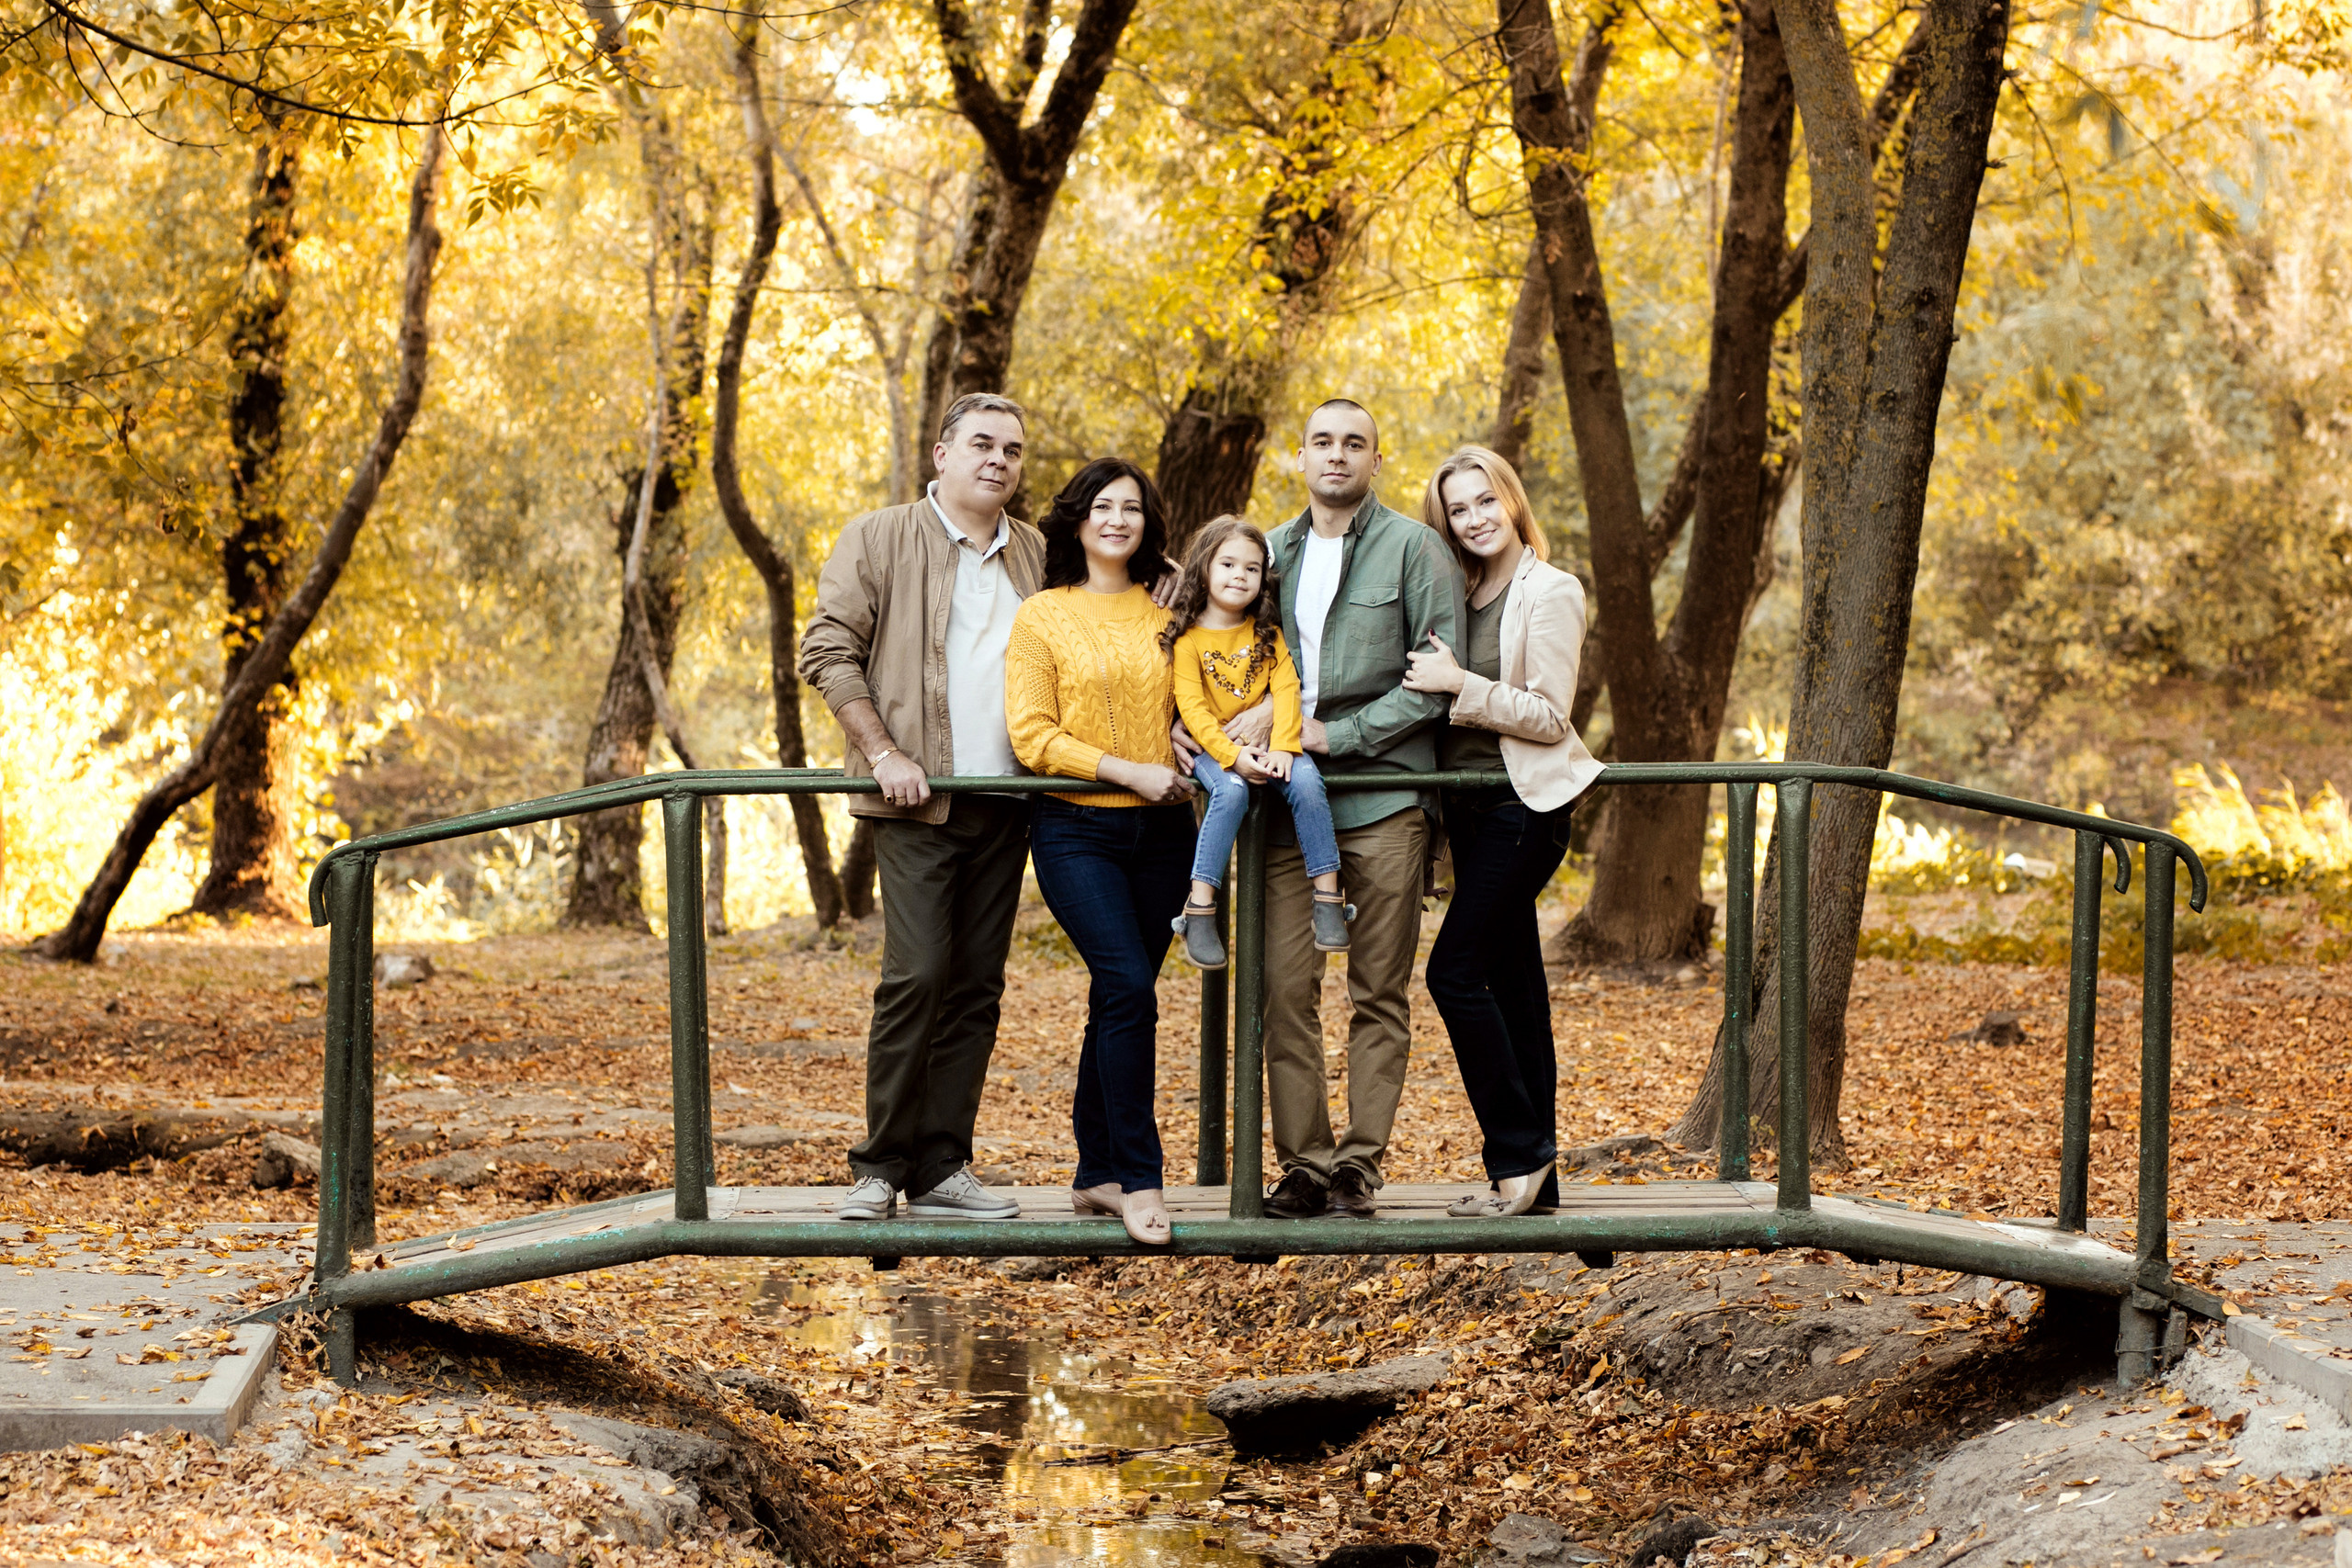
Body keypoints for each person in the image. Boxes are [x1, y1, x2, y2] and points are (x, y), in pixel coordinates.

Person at [1182, 399, 1463, 1221]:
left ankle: (1359, 1166)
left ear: (1377, 459)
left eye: (1355, 444)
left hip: (1384, 800)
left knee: (1379, 989)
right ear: (1298, 456)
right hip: (1281, 804)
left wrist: (1329, 733)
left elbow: (1434, 681)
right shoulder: (1266, 552)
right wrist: (1183, 719)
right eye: (1322, 443)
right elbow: (1210, 645)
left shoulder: (1416, 549)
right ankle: (1303, 1163)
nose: (1337, 456)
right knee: (1283, 988)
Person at [797, 392, 1041, 1224]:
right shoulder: (879, 535)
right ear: (942, 454)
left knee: (976, 987)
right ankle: (877, 1165)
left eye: (1011, 449)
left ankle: (942, 1166)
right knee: (917, 975)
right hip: (914, 802)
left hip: (1008, 801)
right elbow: (826, 647)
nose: (997, 460)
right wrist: (882, 753)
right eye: (981, 444)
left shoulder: (1036, 553)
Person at [1402, 446, 1604, 1217]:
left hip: (1528, 807)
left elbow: (1552, 715)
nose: (1475, 518)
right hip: (1471, 815)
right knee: (1516, 986)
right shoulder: (1453, 591)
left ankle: (1515, 1157)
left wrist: (1463, 685)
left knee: (1453, 973)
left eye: (1486, 500)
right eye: (1459, 508)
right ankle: (1536, 1179)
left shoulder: (1550, 590)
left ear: (1512, 501)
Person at [1003, 457, 1195, 1247]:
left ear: (1148, 524)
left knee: (1122, 995)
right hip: (1075, 827)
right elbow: (1032, 734)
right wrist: (1131, 771)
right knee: (1126, 986)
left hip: (1165, 836)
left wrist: (1186, 736)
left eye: (1133, 509)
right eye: (1103, 506)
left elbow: (1203, 697)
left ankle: (1094, 1174)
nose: (1118, 519)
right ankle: (1141, 1180)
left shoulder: (1172, 613)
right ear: (1078, 519)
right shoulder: (1043, 616)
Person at [1162, 515, 1351, 970]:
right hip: (1216, 750)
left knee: (1306, 782)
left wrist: (1285, 747)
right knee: (1231, 790)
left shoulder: (1268, 635)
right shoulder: (1187, 642)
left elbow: (1287, 690)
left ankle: (1328, 898)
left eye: (1251, 568)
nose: (1239, 576)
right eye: (1227, 564)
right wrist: (1232, 757)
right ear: (1204, 569)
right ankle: (1200, 907)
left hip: (1272, 745)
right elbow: (1193, 710)